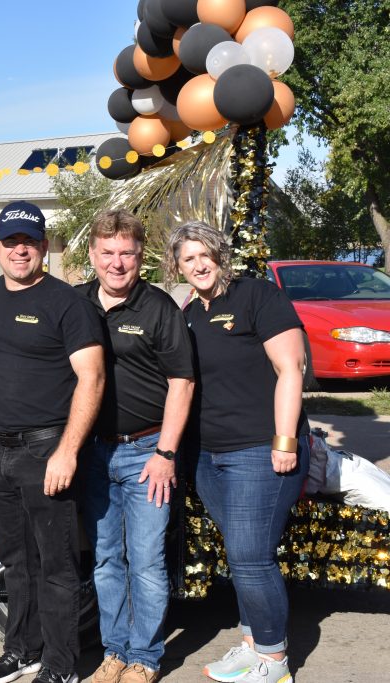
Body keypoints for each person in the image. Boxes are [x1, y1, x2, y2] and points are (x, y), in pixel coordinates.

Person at [162, 222, 308, 683]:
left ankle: (274, 659)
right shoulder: (189, 311)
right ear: (177, 266)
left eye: (205, 254)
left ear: (221, 255)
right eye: (188, 259)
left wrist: (284, 439)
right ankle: (251, 644)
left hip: (259, 451)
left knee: (250, 555)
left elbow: (292, 368)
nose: (198, 265)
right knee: (242, 553)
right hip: (209, 455)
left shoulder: (257, 297)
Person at [0, 201, 105, 683]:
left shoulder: (66, 304)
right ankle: (22, 648)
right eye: (10, 242)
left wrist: (67, 450)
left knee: (56, 565)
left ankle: (60, 665)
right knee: (15, 560)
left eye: (28, 242)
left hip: (47, 449)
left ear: (44, 247)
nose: (19, 251)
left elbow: (91, 379)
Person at [75, 210, 194, 683]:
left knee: (145, 560)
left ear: (140, 257)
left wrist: (166, 454)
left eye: (126, 253)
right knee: (106, 559)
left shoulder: (158, 307)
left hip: (147, 453)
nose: (117, 263)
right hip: (93, 454)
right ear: (92, 255)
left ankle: (144, 657)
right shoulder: (78, 302)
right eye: (107, 253)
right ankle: (115, 651)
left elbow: (182, 383)